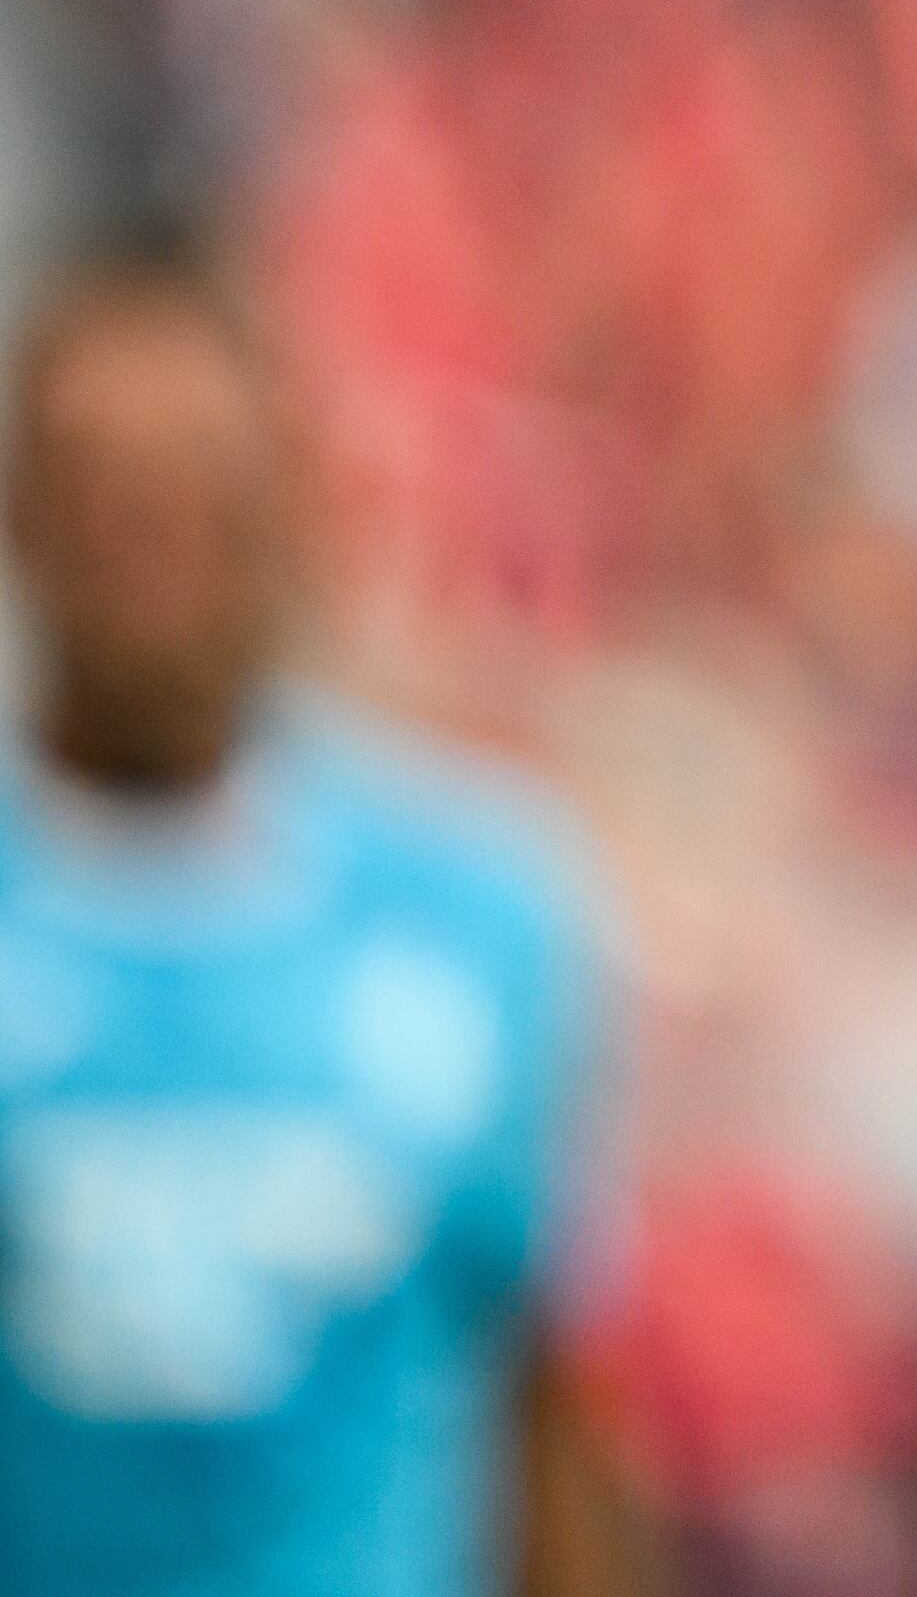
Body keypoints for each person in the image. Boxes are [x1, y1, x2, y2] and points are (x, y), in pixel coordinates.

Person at [0, 243, 645, 1597]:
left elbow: (542, 1400)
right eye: (110, 498)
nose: (154, 553)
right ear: (28, 515)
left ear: (286, 510)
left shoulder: (477, 911)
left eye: (202, 495)